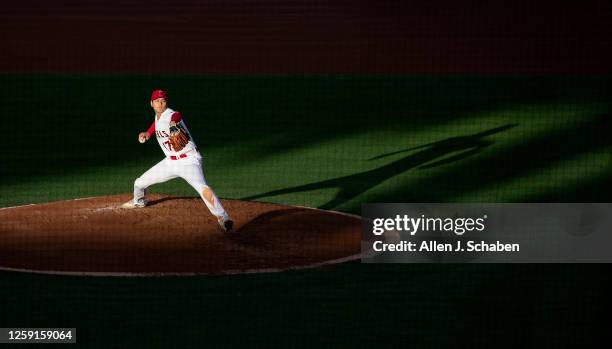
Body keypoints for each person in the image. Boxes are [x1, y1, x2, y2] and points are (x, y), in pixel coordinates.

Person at [121, 89, 233, 232]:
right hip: (170, 162)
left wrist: (174, 124)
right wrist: (147, 133)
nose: (160, 104)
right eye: (157, 101)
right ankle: (139, 202)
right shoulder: (159, 116)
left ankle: (223, 217)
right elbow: (157, 124)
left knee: (201, 187)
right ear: (151, 104)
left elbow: (176, 116)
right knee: (139, 183)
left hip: (189, 161)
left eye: (163, 101)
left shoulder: (170, 115)